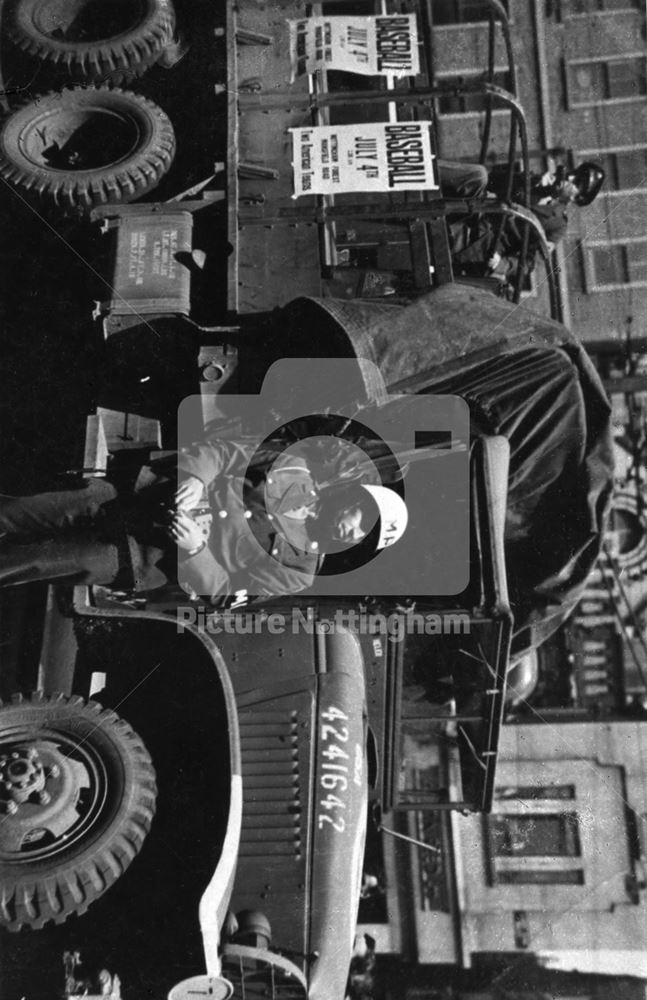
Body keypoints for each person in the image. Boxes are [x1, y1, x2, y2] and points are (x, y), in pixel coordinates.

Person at [0, 435, 408, 606]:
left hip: (141, 556)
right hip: (138, 496)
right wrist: (195, 479)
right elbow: (224, 452)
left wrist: (195, 548)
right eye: (362, 519)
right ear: (354, 498)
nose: (353, 532)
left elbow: (226, 594)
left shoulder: (298, 571)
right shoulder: (295, 469)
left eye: (362, 538)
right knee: (21, 511)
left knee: (31, 561)